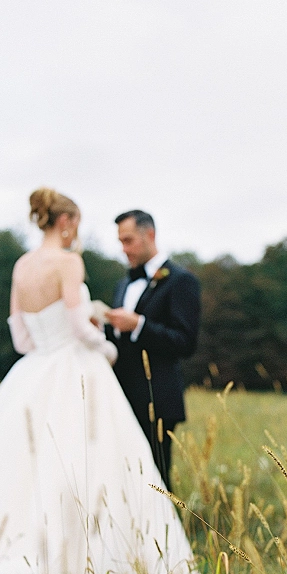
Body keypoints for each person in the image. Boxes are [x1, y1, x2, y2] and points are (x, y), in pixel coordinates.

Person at [0, 189, 201, 574]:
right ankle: (87, 559)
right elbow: (79, 326)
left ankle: (20, 547)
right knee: (90, 461)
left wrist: (51, 347)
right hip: (75, 371)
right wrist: (102, 348)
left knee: (32, 466)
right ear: (66, 221)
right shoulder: (69, 263)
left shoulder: (22, 266)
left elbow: (20, 336)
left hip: (33, 373)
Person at [105, 211, 201, 492]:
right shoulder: (123, 283)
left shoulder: (181, 281)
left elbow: (185, 342)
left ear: (150, 235)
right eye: (120, 242)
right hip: (120, 397)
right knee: (121, 480)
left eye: (129, 240)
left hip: (157, 400)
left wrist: (140, 325)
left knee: (155, 483)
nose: (124, 249)